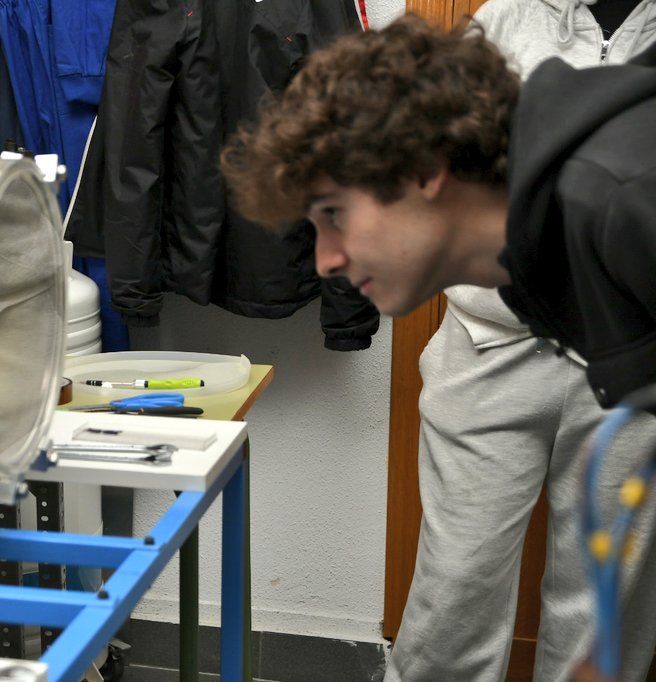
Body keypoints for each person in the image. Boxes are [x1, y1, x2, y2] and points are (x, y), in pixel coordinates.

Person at [220, 13, 656, 680]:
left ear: (425, 169)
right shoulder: (541, 254)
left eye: (333, 214)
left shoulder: (621, 197)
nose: (327, 261)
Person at [382, 1, 656, 681]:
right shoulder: (504, 19)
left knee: (603, 614)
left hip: (630, 365)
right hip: (489, 347)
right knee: (453, 597)